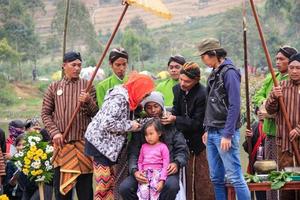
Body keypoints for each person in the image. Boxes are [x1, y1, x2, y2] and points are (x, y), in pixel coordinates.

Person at [85, 72, 154, 200]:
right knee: (104, 182)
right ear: (138, 88)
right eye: (144, 94)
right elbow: (107, 123)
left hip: (107, 145)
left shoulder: (129, 98)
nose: (143, 98)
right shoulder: (119, 98)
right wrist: (130, 125)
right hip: (99, 144)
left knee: (110, 182)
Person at [41, 51, 98, 200]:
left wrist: (88, 101)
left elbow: (96, 114)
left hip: (83, 146)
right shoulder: (54, 87)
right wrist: (55, 133)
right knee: (62, 192)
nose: (77, 68)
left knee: (85, 191)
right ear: (64, 65)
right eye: (73, 65)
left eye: (79, 65)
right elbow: (45, 114)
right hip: (62, 145)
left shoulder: (88, 86)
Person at [198, 38, 250, 199]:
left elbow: (235, 105)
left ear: (212, 54)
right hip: (213, 131)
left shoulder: (230, 72)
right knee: (216, 178)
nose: (203, 60)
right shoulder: (215, 72)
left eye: (203, 56)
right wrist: (208, 128)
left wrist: (227, 134)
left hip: (224, 132)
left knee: (235, 177)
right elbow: (211, 103)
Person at [119, 91, 189, 200]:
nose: (153, 110)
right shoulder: (140, 126)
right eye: (148, 107)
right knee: (125, 188)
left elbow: (182, 150)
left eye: (156, 106)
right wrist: (134, 171)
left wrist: (176, 163)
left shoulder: (171, 126)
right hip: (144, 171)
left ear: (162, 107)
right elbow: (133, 153)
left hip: (166, 170)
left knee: (171, 186)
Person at [161, 62, 214, 200]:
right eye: (181, 79)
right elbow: (176, 110)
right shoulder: (177, 89)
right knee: (185, 182)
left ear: (196, 80)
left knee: (202, 181)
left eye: (187, 81)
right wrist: (170, 116)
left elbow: (197, 123)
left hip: (199, 142)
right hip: (181, 141)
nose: (183, 84)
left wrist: (175, 119)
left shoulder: (203, 94)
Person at [253, 46, 297, 200]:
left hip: (291, 135)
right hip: (275, 135)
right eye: (276, 58)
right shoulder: (273, 79)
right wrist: (266, 101)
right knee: (273, 174)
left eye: (281, 59)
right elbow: (259, 98)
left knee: (292, 176)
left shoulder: (291, 83)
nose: (277, 62)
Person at [265, 53, 300, 200]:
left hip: (299, 142)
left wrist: (298, 129)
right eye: (291, 67)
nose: (294, 71)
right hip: (284, 144)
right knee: (286, 184)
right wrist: (273, 95)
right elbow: (269, 109)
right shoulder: (281, 87)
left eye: (298, 68)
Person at [136, 118, 170, 200]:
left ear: (159, 133)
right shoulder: (143, 147)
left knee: (155, 194)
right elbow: (140, 161)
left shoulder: (163, 147)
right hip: (145, 175)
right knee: (143, 193)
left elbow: (166, 164)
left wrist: (162, 180)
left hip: (157, 174)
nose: (148, 137)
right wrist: (140, 172)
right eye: (146, 135)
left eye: (151, 134)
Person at [242, 108, 266, 200]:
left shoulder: (274, 126)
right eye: (258, 110)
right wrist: (249, 138)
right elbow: (247, 149)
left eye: (263, 109)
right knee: (260, 195)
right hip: (257, 167)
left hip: (271, 166)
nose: (260, 112)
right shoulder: (254, 126)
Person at [4, 135, 24, 200]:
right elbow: (6, 188)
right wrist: (13, 182)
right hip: (16, 197)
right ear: (15, 147)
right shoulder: (11, 163)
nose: (21, 147)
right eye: (18, 145)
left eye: (24, 144)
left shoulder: (34, 163)